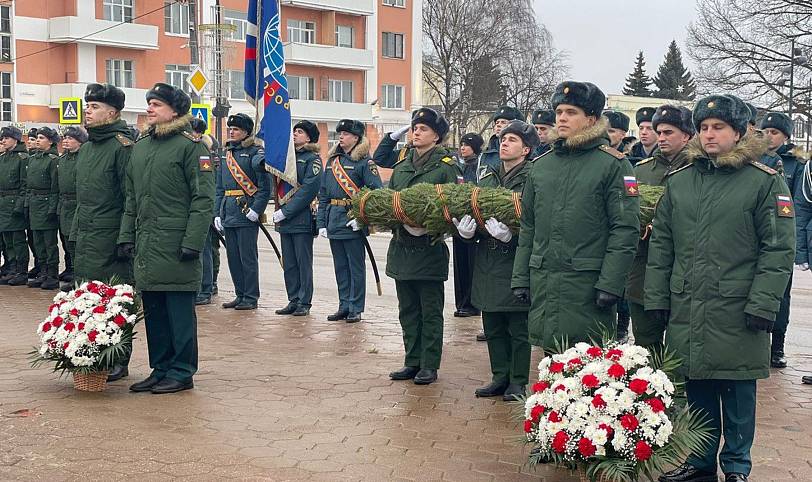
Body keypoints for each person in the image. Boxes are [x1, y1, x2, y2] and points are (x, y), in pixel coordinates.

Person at [646, 95, 795, 482]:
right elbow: (662, 244)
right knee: (696, 387)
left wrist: (765, 303)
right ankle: (698, 463)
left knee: (738, 390)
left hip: (738, 306)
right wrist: (657, 297)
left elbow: (778, 247)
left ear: (740, 132)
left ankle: (736, 467)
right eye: (705, 127)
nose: (710, 135)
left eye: (719, 128)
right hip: (688, 303)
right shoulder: (680, 182)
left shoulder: (764, 181)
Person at [511, 81, 640, 352]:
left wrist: (611, 283)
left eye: (571, 112)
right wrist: (521, 276)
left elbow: (625, 229)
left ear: (591, 119)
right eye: (559, 111)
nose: (562, 118)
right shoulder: (542, 166)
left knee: (587, 374)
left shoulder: (614, 165)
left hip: (587, 286)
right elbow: (529, 226)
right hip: (546, 282)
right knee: (550, 371)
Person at [122, 83, 215, 394]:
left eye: (157, 104)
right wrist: (126, 236)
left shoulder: (192, 147)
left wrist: (193, 242)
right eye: (149, 103)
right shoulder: (142, 145)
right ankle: (160, 368)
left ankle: (182, 371)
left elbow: (203, 199)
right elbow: (132, 198)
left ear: (175, 111)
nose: (150, 108)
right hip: (147, 242)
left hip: (176, 244)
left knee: (178, 313)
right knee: (155, 312)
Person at [373, 107, 462, 385]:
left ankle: (429, 364)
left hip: (428, 247)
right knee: (408, 310)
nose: (416, 133)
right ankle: (412, 360)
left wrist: (430, 226)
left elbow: (453, 205)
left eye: (422, 129)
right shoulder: (403, 163)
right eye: (414, 128)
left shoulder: (446, 166)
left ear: (436, 136)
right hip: (401, 246)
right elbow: (390, 191)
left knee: (430, 311)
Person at [457, 120, 538, 401]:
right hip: (488, 259)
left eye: (513, 140)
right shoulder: (488, 176)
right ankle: (499, 376)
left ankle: (518, 380)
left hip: (516, 259)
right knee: (492, 325)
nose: (504, 143)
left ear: (526, 149)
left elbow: (539, 222)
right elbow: (477, 211)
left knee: (517, 327)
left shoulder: (533, 177)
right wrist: (467, 234)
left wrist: (512, 237)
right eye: (503, 139)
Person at [72, 82, 135, 381]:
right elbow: (81, 197)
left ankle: (119, 359)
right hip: (86, 236)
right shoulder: (86, 149)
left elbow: (129, 198)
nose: (88, 111)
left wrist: (125, 238)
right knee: (87, 298)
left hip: (110, 238)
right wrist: (75, 234)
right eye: (88, 106)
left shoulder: (121, 147)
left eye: (95, 107)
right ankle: (92, 353)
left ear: (112, 112)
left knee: (114, 299)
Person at [626, 105, 693, 352]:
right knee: (645, 341)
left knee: (680, 343)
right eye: (659, 132)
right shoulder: (641, 170)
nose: (661, 137)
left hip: (682, 267)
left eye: (669, 132)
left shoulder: (700, 170)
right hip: (643, 268)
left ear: (686, 135)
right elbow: (626, 211)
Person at [317, 119, 382, 323]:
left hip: (352, 220)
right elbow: (324, 194)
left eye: (345, 134)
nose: (341, 137)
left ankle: (356, 307)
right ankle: (343, 305)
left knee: (355, 267)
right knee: (340, 267)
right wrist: (321, 223)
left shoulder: (365, 162)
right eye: (340, 134)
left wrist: (362, 219)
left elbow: (375, 193)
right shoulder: (333, 161)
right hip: (334, 219)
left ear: (356, 137)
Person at [759, 112, 806, 369]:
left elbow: (798, 204)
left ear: (786, 136)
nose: (769, 136)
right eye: (765, 131)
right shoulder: (756, 157)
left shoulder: (795, 164)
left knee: (781, 295)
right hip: (760, 235)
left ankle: (778, 347)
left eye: (774, 132)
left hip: (783, 235)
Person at [214, 113, 271, 311]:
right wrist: (217, 213)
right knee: (233, 258)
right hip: (228, 211)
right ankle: (240, 294)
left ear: (246, 132)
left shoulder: (255, 152)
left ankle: (251, 296)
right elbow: (219, 188)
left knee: (247, 257)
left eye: (236, 129)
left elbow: (264, 188)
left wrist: (257, 209)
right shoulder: (226, 154)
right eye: (230, 129)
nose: (231, 132)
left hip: (245, 211)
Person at [273, 120, 322, 317]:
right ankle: (293, 299)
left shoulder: (312, 159)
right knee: (289, 263)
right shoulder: (286, 157)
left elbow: (309, 190)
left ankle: (304, 301)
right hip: (285, 219)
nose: (295, 134)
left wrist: (287, 211)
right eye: (294, 131)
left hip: (301, 217)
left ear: (308, 137)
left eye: (299, 132)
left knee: (303, 263)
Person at [26, 127, 61, 290]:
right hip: (34, 203)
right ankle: (43, 272)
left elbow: (55, 187)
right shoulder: (33, 159)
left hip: (46, 203)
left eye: (42, 138)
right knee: (38, 241)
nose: (38, 140)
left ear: (51, 141)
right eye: (37, 137)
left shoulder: (53, 160)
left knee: (49, 243)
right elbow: (28, 185)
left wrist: (52, 209)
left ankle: (52, 274)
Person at [188, 117, 218, 306]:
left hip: (201, 209)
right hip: (190, 209)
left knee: (204, 250)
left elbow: (205, 185)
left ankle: (205, 288)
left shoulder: (203, 153)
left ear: (198, 133)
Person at [454, 132, 483, 319]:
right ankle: (461, 302)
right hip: (458, 221)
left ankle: (472, 303)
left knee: (472, 265)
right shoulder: (457, 166)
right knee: (460, 265)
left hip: (472, 222)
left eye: (467, 145)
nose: (463, 148)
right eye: (462, 144)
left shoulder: (479, 167)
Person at [56, 126, 86, 289]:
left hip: (78, 204)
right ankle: (73, 273)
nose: (65, 141)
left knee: (78, 243)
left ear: (80, 142)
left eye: (70, 139)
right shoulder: (62, 160)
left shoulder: (84, 158)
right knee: (67, 242)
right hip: (65, 205)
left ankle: (79, 277)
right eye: (64, 138)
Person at [0, 127, 30, 286]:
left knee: (17, 240)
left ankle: (21, 271)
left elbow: (25, 185)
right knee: (7, 240)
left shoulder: (22, 158)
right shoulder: (3, 157)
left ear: (16, 139)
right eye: (2, 138)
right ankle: (11, 268)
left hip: (13, 204)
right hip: (3, 204)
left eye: (6, 138)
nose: (3, 141)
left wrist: (19, 206)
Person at [479, 106, 525, 171]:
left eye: (503, 122)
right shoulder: (485, 155)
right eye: (497, 123)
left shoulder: (527, 152)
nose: (498, 125)